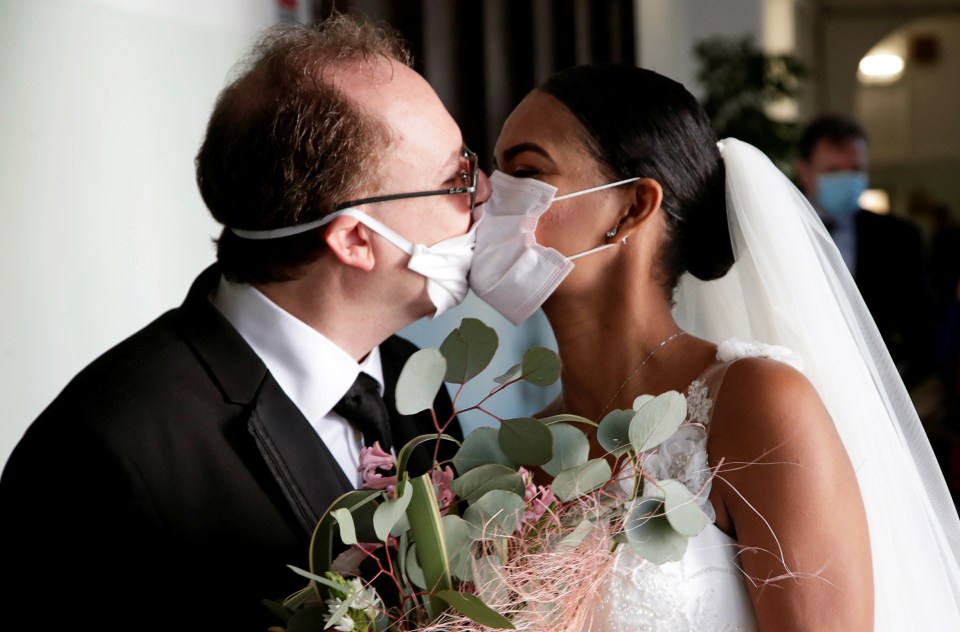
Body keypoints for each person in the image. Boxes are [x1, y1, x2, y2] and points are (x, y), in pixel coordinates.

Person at [0, 14, 488, 631]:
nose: (484, 196)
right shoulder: (99, 456)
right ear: (357, 240)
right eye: (456, 180)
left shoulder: (413, 380)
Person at [469, 64, 960, 630]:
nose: (487, 196)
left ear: (631, 208)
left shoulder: (754, 402)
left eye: (525, 170)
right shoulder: (515, 453)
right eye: (493, 170)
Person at [796, 114, 937, 391]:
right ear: (804, 171)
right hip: (801, 379)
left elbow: (922, 325)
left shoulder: (900, 236)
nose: (847, 178)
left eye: (856, 168)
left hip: (878, 386)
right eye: (835, 171)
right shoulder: (780, 226)